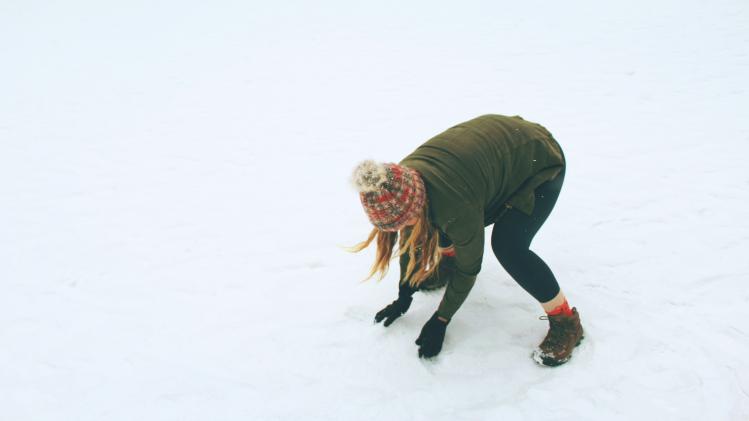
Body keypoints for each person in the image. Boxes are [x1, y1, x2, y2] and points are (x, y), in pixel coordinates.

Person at [350, 114, 584, 366]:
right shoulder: (398, 181)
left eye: (402, 222)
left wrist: (442, 319)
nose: (402, 229)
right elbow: (411, 233)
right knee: (432, 220)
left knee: (509, 246)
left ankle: (565, 321)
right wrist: (404, 291)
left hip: (540, 161)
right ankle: (447, 263)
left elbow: (470, 267)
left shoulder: (454, 204)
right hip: (497, 154)